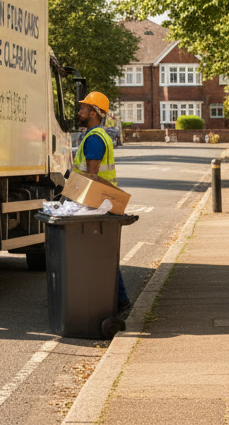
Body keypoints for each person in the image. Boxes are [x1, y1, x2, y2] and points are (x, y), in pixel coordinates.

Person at [75, 91, 130, 311]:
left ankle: (120, 300)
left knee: (101, 255)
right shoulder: (97, 135)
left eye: (84, 108)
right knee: (103, 255)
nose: (80, 111)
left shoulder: (95, 139)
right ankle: (118, 299)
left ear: (94, 113)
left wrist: (84, 208)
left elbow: (92, 176)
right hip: (104, 204)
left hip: (97, 205)